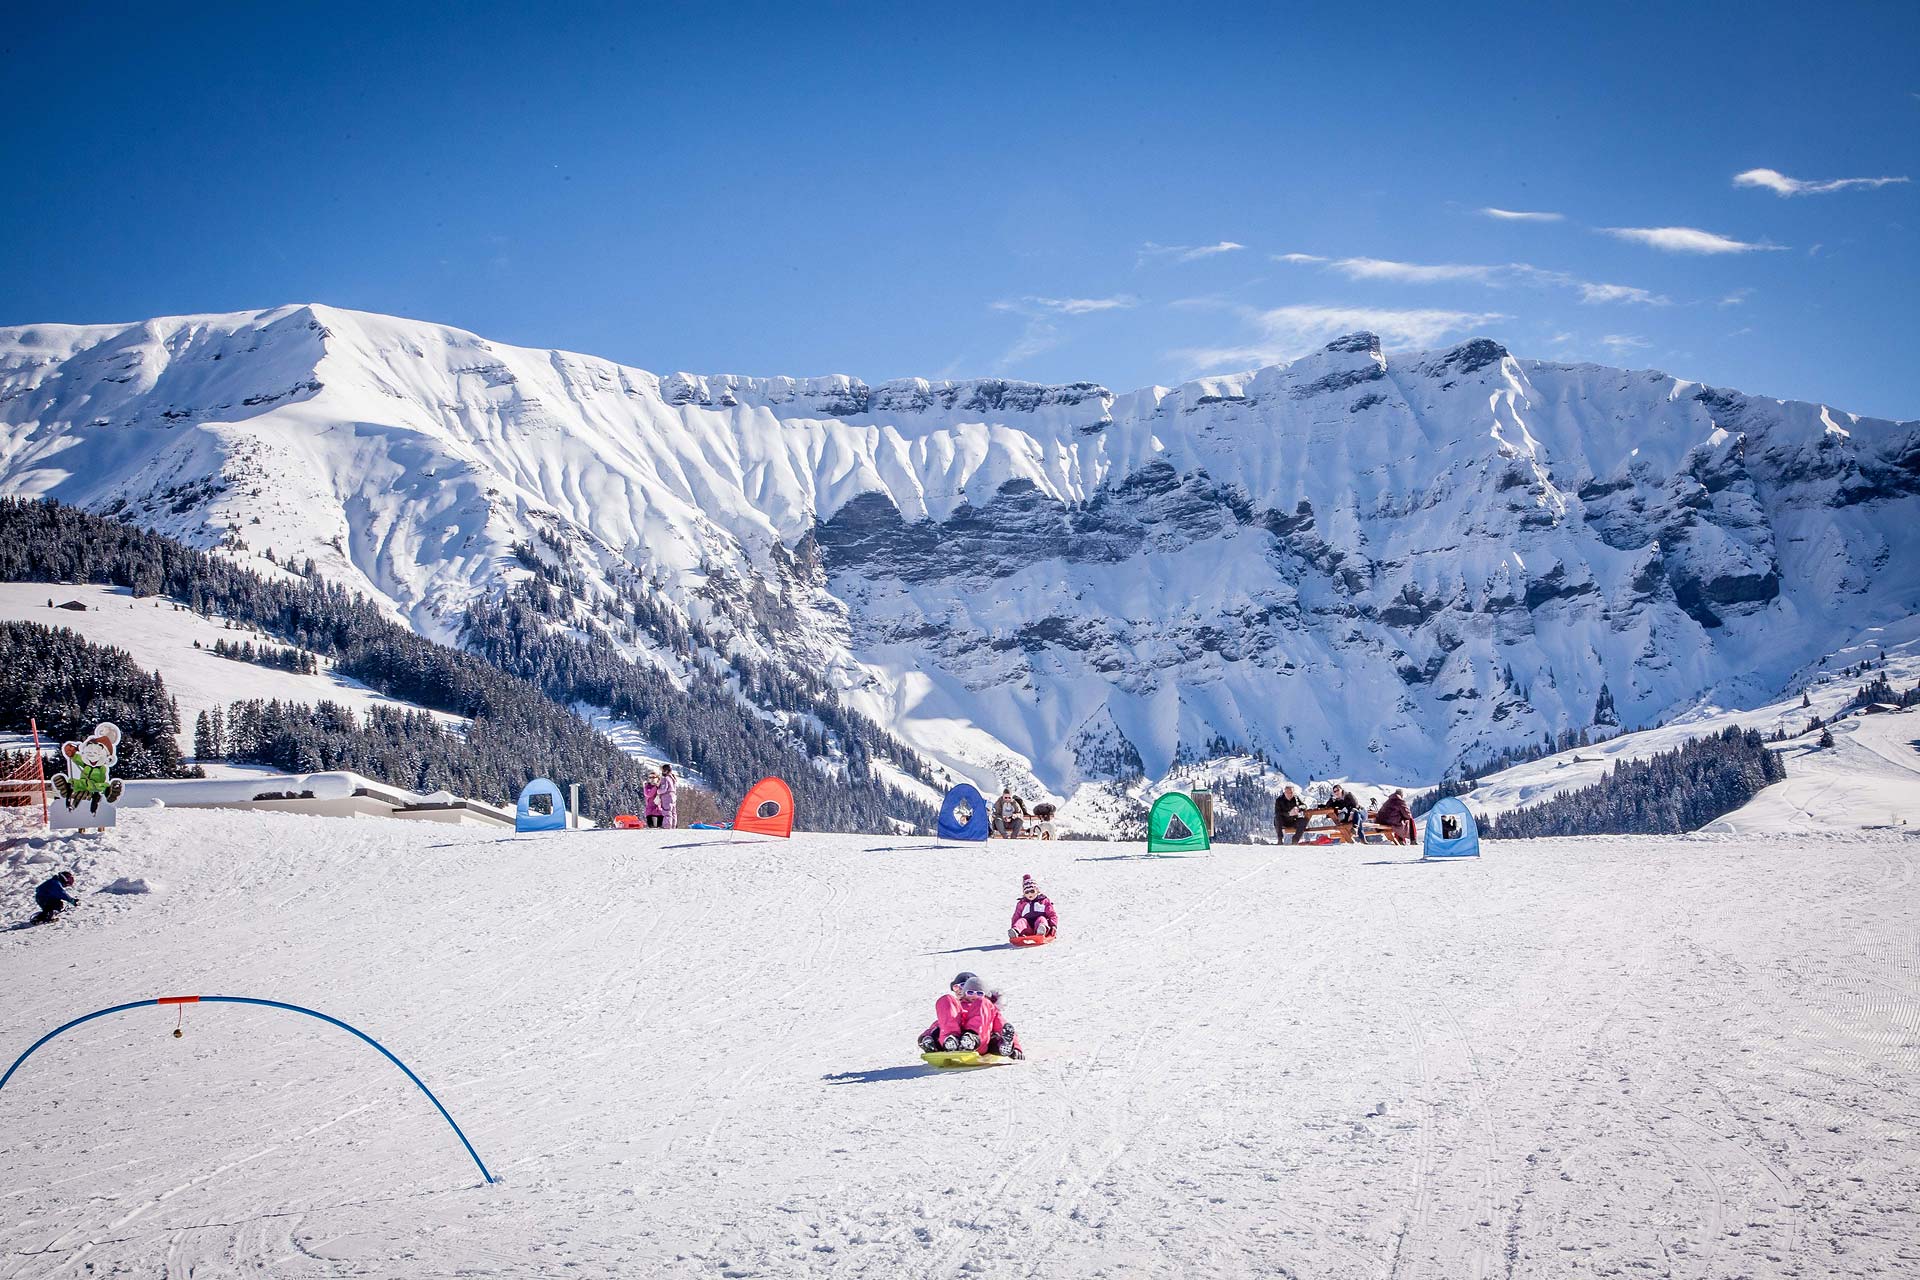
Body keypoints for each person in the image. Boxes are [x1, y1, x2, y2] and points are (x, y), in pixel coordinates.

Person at [1009, 874, 1058, 939]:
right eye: (1027, 892)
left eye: (1032, 891)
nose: (1030, 894)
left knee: (1041, 918)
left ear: (1037, 891)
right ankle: (1015, 931)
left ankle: (1041, 931)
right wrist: (1013, 926)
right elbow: (1016, 916)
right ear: (1024, 894)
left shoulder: (1044, 901)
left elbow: (1052, 914)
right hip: (1027, 928)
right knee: (1022, 920)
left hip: (1041, 926)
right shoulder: (1022, 903)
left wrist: (1053, 926)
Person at [657, 764, 679, 829]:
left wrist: (658, 791)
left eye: (662, 770)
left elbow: (664, 789)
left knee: (667, 811)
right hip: (673, 796)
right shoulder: (672, 778)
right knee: (673, 811)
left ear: (666, 771)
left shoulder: (665, 779)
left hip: (667, 796)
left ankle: (667, 825)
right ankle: (673, 825)